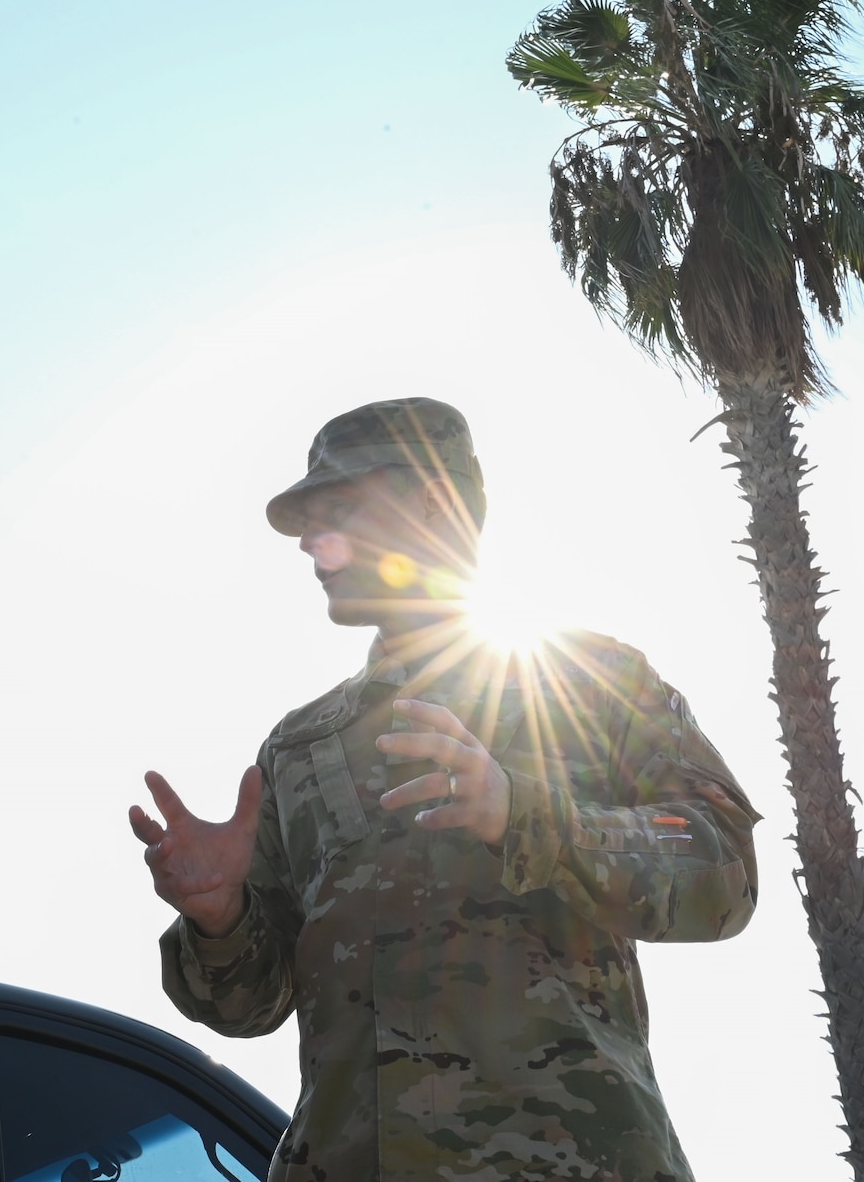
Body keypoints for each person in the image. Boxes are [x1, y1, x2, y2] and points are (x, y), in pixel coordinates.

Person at [129, 398, 760, 1181]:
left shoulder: (592, 683)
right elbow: (251, 1002)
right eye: (306, 523)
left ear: (433, 502)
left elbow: (724, 874)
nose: (310, 542)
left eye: (338, 508)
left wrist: (524, 814)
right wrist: (219, 917)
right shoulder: (298, 749)